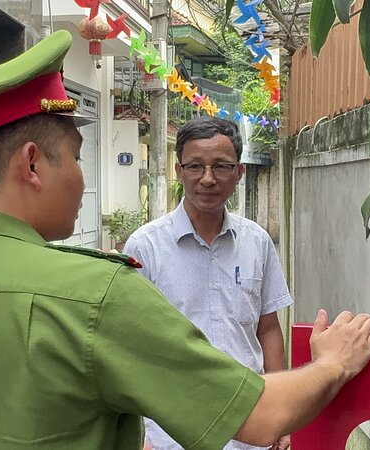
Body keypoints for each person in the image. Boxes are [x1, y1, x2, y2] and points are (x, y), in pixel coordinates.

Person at [0, 30, 370, 450]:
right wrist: (332, 363)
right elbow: (262, 414)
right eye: (78, 159)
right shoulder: (94, 295)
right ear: (32, 164)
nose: (84, 181)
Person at [124, 117, 292, 450]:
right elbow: (129, 344)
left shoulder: (257, 243)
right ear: (179, 170)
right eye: (195, 166)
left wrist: (282, 415)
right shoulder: (145, 247)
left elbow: (268, 329)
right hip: (171, 431)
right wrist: (140, 429)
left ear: (239, 173)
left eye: (221, 167)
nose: (208, 179)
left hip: (250, 425)